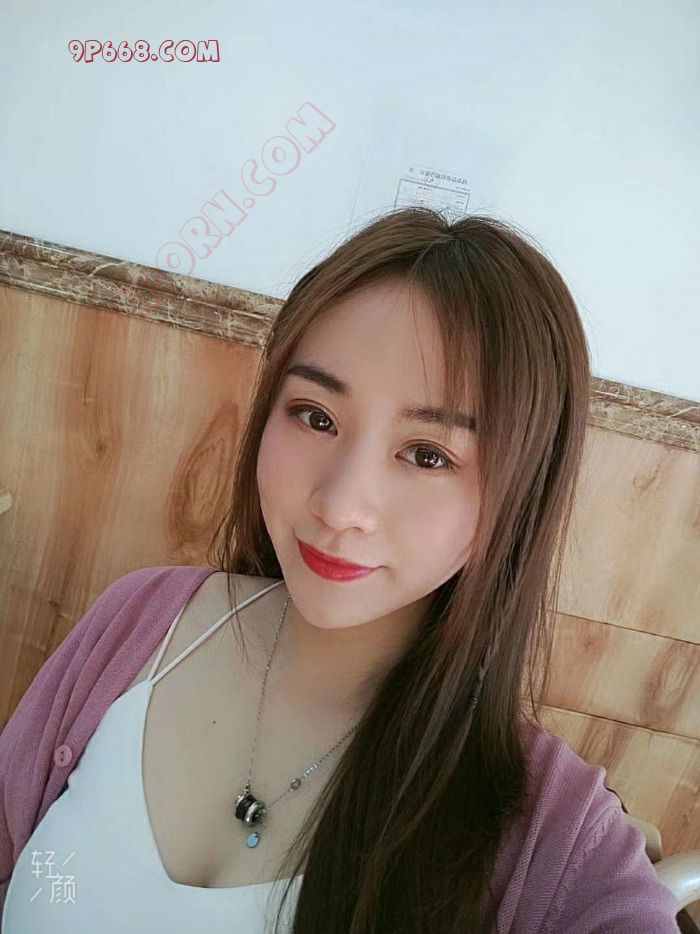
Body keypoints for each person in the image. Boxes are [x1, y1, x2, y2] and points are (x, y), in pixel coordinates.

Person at [0, 207, 682, 932]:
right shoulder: (138, 620)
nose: (340, 505)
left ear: (519, 495)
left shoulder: (555, 834)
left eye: (428, 455)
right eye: (315, 416)